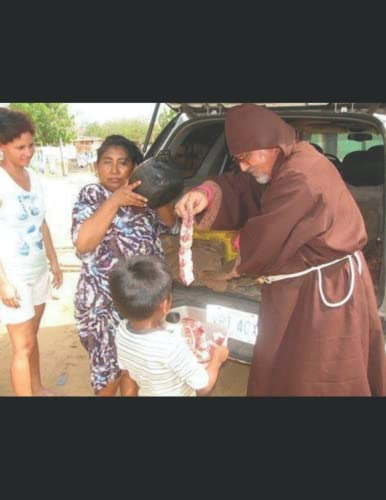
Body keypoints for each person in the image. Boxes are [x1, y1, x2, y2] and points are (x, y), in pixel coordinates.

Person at [175, 103, 386, 397]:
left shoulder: (300, 174)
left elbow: (266, 238)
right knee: (290, 363)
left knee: (320, 372)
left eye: (245, 157)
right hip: (307, 285)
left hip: (327, 291)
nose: (243, 166)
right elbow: (243, 186)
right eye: (237, 159)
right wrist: (204, 193)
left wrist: (234, 260)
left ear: (269, 144)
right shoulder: (284, 162)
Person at [71, 135, 179, 396]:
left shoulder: (144, 196)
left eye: (123, 163)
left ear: (134, 167)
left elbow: (172, 225)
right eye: (107, 162)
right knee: (108, 373)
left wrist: (158, 192)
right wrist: (115, 200)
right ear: (97, 166)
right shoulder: (92, 194)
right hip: (103, 302)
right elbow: (83, 244)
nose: (115, 170)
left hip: (143, 299)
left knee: (134, 367)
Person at [0, 107, 63, 396]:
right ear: (2, 146)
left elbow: (42, 223)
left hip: (38, 272)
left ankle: (36, 388)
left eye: (31, 145)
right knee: (22, 346)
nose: (28, 152)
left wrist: (54, 261)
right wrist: (3, 283)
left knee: (32, 338)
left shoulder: (34, 178)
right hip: (13, 277)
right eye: (20, 147)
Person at [109, 255, 229, 397]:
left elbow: (127, 370)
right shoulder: (170, 346)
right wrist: (217, 358)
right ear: (165, 305)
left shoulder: (121, 331)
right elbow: (204, 386)